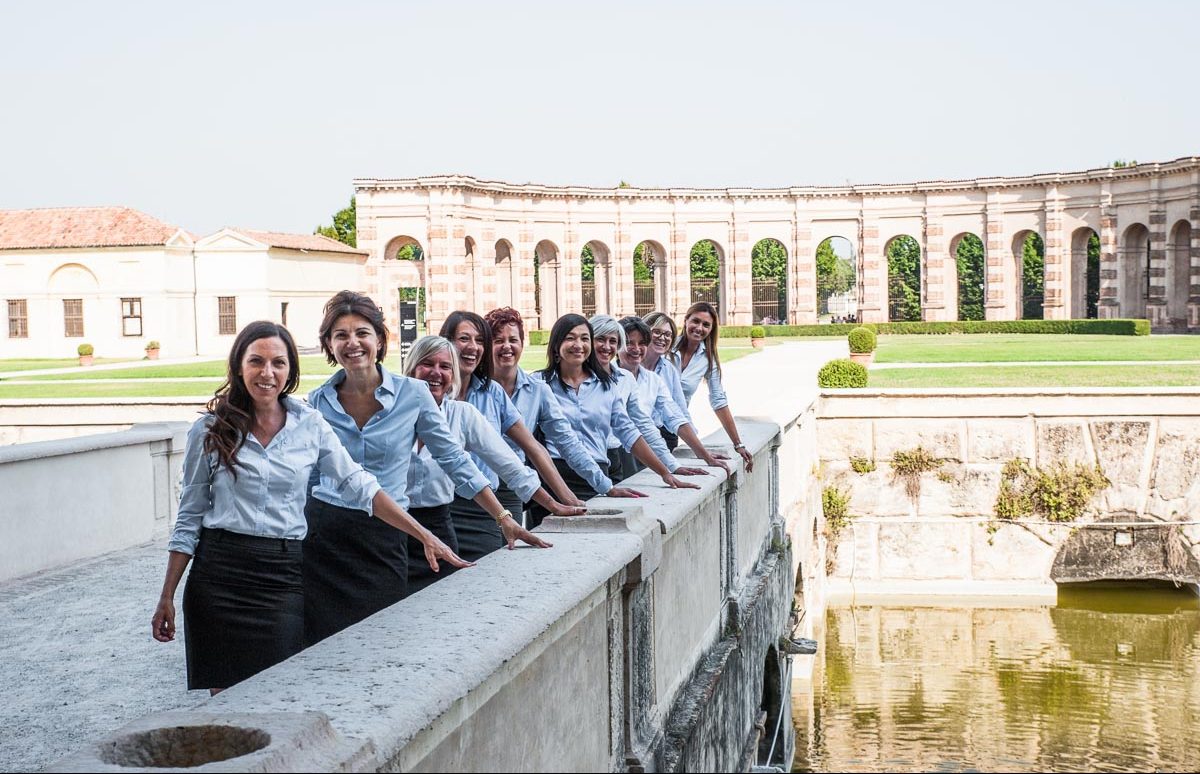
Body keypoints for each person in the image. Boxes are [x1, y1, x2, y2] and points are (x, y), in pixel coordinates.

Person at [151, 321, 469, 693]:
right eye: (256, 361)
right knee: (226, 703)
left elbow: (360, 486)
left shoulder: (310, 425)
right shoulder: (208, 430)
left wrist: (423, 534)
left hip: (283, 573)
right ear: (239, 366)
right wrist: (166, 596)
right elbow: (189, 517)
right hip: (220, 575)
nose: (267, 373)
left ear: (290, 372)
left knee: (281, 690)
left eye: (278, 363)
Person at [301, 291, 520, 645]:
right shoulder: (317, 401)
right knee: (326, 643)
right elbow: (308, 479)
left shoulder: (413, 394)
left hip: (386, 534)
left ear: (379, 339)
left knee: (386, 638)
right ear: (328, 344)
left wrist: (503, 517)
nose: (352, 343)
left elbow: (454, 458)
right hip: (326, 536)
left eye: (361, 333)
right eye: (340, 335)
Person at [403, 335, 578, 587]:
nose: (436, 373)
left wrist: (553, 504)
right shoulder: (388, 414)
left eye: (445, 367)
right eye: (427, 364)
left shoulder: (462, 415)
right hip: (392, 530)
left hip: (438, 525)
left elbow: (508, 466)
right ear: (411, 368)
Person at [529, 314, 700, 526]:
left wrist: (666, 472)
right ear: (556, 344)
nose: (578, 345)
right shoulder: (537, 384)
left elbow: (631, 431)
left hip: (597, 474)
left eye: (584, 338)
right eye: (570, 338)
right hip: (551, 477)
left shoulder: (607, 386)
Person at [439, 311, 585, 558]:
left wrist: (565, 501)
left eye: (479, 340)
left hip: (487, 507)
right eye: (464, 338)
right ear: (447, 342)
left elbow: (527, 449)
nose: (473, 347)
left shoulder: (491, 392)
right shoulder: (431, 390)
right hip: (441, 507)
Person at [484, 306, 646, 507]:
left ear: (522, 344)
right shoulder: (472, 388)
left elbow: (566, 441)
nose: (507, 346)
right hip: (471, 487)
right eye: (498, 340)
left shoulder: (537, 389)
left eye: (513, 340)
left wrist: (606, 486)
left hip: (514, 486)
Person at [588, 314, 710, 484]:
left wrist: (673, 467)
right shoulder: (582, 378)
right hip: (596, 458)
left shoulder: (633, 379)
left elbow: (661, 419)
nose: (636, 349)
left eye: (642, 343)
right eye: (629, 343)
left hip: (623, 454)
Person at [617, 315, 731, 476]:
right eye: (629, 343)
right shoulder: (609, 376)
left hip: (647, 444)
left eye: (668, 334)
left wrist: (701, 454)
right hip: (614, 452)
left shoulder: (656, 377)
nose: (636, 348)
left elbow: (675, 414)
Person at [670, 302, 755, 472]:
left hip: (672, 431)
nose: (699, 328)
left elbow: (719, 401)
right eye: (695, 321)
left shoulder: (708, 360)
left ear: (711, 329)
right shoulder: (667, 347)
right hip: (644, 426)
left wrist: (738, 444)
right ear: (686, 320)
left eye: (706, 325)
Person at [641, 311, 693, 452]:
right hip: (638, 437)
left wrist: (698, 447)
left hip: (666, 435)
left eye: (668, 335)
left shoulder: (668, 368)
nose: (662, 338)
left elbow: (680, 408)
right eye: (656, 332)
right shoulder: (628, 367)